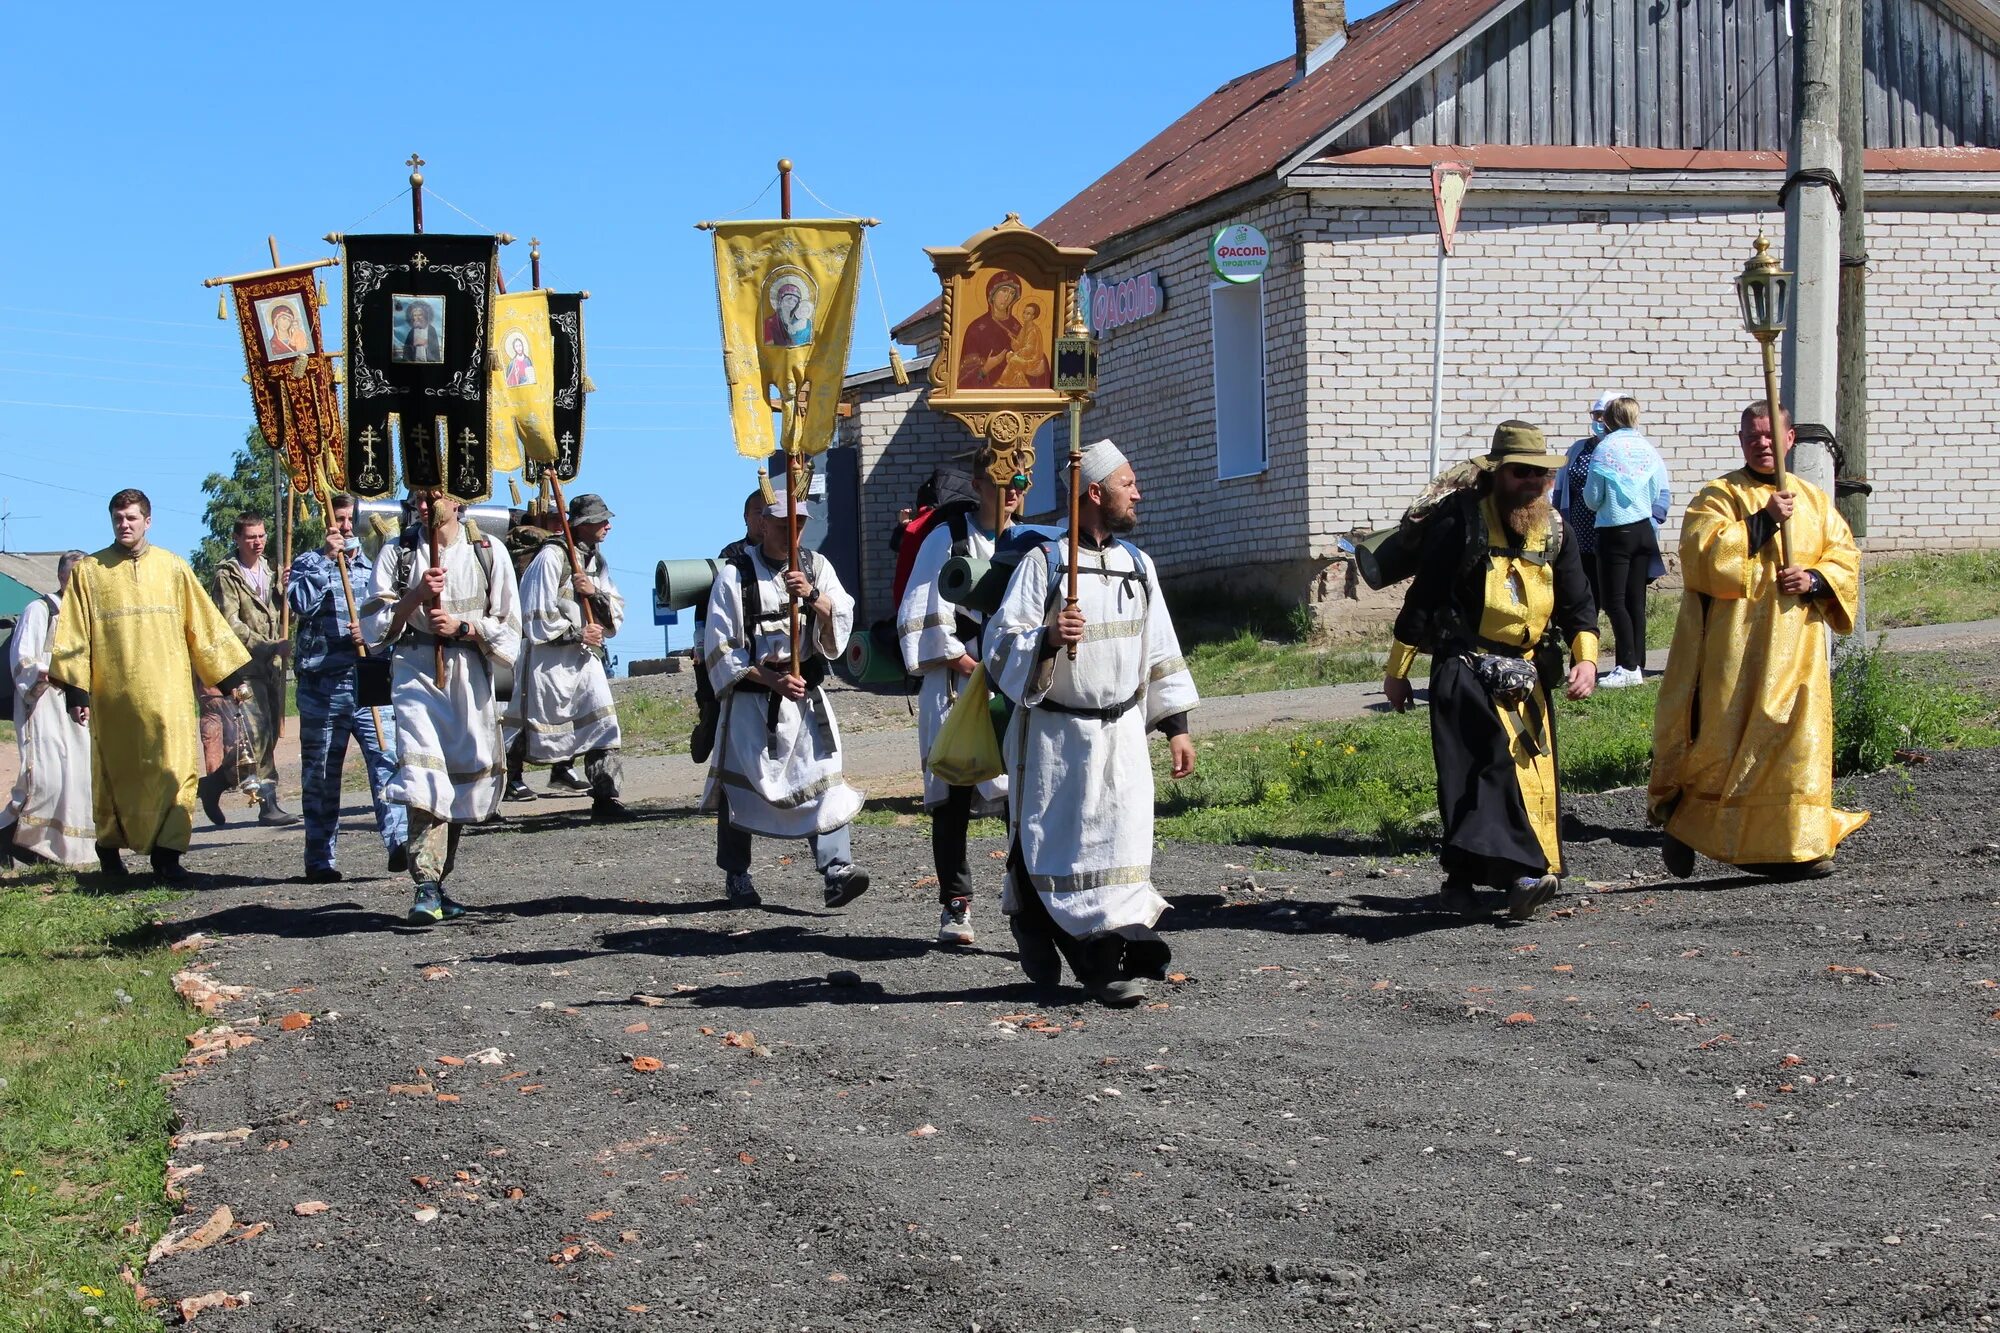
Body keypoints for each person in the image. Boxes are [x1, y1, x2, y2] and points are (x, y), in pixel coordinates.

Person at [986, 440, 1199, 1007]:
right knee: (1058, 844)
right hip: (1057, 738)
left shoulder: (1138, 565)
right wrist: (1049, 637)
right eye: (1129, 484)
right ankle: (1088, 957)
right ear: (1096, 492)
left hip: (1123, 734)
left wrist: (1175, 724)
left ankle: (1108, 942)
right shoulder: (1045, 563)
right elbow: (1001, 646)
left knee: (1120, 843)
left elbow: (1160, 649)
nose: (1139, 493)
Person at [1383, 421, 1599, 921]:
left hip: (1526, 677)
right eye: (1522, 473)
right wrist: (1398, 672)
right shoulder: (1459, 523)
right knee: (1485, 770)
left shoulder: (1556, 528)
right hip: (1465, 668)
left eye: (1541, 476)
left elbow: (1579, 603)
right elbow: (1423, 599)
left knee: (1511, 774)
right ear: (1498, 473)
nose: (1533, 483)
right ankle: (1521, 875)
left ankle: (1462, 879)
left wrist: (1585, 657)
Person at [1649, 401, 1866, 880]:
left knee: (1794, 739)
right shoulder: (1719, 495)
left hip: (1798, 647)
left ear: (1790, 440)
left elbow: (1844, 555)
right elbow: (1703, 559)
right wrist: (1762, 521)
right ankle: (1686, 824)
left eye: (1771, 435)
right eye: (1753, 435)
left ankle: (1798, 845)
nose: (1762, 443)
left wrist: (1813, 580)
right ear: (1741, 438)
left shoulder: (1812, 499)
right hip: (1737, 647)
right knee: (1725, 740)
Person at [47, 489, 254, 884]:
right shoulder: (90, 572)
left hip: (169, 698)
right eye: (118, 519)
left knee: (175, 771)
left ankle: (168, 856)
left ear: (148, 520)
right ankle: (109, 856)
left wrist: (229, 679)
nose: (124, 525)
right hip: (113, 701)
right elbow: (75, 635)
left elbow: (202, 627)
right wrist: (78, 691)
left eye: (131, 518)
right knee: (115, 775)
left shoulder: (173, 568)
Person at [699, 476, 869, 910]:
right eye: (781, 523)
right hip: (755, 699)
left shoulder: (816, 567)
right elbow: (721, 649)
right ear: (761, 523)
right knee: (742, 789)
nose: (791, 532)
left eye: (799, 523)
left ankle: (837, 870)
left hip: (805, 698)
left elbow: (842, 614)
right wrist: (770, 679)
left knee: (824, 779)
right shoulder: (734, 577)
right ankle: (737, 875)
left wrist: (813, 597)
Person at [364, 490, 521, 924]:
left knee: (457, 778)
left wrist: (463, 625)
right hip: (414, 670)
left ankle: (439, 880)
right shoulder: (397, 552)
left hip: (467, 673)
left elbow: (509, 625)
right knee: (423, 773)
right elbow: (373, 627)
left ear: (459, 502)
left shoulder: (488, 552)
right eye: (419, 494)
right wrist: (414, 597)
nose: (427, 501)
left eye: (438, 494)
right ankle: (425, 883)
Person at [896, 452, 1026, 946]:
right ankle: (955, 906)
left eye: (1019, 481)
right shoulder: (945, 541)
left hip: (1010, 686)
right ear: (977, 484)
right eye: (1001, 481)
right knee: (951, 796)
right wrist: (970, 665)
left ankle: (1024, 898)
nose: (1012, 491)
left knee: (1020, 794)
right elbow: (922, 612)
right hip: (956, 686)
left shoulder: (1030, 542)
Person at [287, 493, 407, 883]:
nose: (343, 526)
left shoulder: (377, 568)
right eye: (337, 518)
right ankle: (320, 858)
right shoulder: (309, 562)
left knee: (387, 762)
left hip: (369, 680)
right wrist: (325, 559)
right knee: (322, 773)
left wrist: (372, 635)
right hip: (324, 684)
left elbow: (395, 619)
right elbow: (300, 604)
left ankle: (400, 843)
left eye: (348, 519)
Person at [504, 493, 630, 821]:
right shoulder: (551, 558)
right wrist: (575, 633)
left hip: (585, 659)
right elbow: (534, 614)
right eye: (601, 520)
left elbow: (613, 607)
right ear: (583, 524)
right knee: (526, 729)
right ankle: (498, 785)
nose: (608, 525)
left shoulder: (596, 561)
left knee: (603, 724)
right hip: (549, 662)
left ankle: (606, 798)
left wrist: (593, 593)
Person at [0, 550, 95, 871]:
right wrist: (52, 672)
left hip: (79, 708)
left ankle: (57, 849)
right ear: (61, 577)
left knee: (77, 779)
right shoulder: (40, 609)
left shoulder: (89, 616)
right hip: (44, 706)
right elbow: (23, 657)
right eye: (74, 577)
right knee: (45, 778)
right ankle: (9, 838)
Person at [211, 512, 300, 826]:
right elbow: (229, 624)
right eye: (250, 537)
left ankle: (215, 784)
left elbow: (285, 613)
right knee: (259, 735)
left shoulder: (273, 571)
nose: (257, 542)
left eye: (261, 535)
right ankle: (268, 804)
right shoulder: (227, 575)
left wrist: (288, 590)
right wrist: (269, 645)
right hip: (244, 668)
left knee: (271, 733)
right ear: (237, 539)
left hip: (272, 666)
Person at [1582, 396, 1672, 688]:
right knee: (1636, 600)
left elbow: (1593, 498)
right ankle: (1638, 664)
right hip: (1645, 531)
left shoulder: (1605, 449)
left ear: (1607, 419)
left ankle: (1627, 666)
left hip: (1615, 531)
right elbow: (1659, 487)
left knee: (1613, 601)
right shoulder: (1647, 449)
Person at [1554, 390, 1621, 616]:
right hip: (1581, 535)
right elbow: (1561, 488)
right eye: (1596, 415)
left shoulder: (1624, 449)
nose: (1599, 421)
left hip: (1612, 533)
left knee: (1614, 598)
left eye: (1605, 415)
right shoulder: (1578, 449)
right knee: (1584, 592)